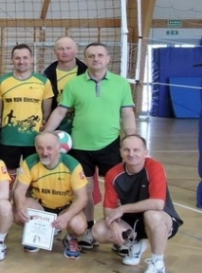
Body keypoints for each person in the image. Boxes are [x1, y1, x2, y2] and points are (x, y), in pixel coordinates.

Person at [44, 42, 136, 250]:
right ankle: (88, 229)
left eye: (100, 55)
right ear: (85, 60)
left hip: (110, 145)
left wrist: (132, 139)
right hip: (80, 146)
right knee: (84, 190)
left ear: (108, 58)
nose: (96, 59)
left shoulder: (121, 84)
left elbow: (127, 113)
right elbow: (60, 111)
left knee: (117, 190)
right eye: (91, 56)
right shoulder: (75, 84)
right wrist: (46, 134)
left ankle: (118, 233)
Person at [90, 135, 183, 273]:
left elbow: (158, 204)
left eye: (136, 150)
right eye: (126, 150)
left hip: (162, 219)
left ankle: (157, 263)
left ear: (145, 152)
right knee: (98, 231)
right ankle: (135, 243)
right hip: (132, 221)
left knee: (151, 215)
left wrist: (123, 208)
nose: (131, 154)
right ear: (121, 152)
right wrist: (114, 226)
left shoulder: (155, 167)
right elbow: (109, 209)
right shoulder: (113, 174)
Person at [13, 131, 89, 259]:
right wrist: (20, 207)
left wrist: (67, 216)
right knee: (16, 212)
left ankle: (71, 239)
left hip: (65, 208)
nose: (44, 152)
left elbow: (82, 198)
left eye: (49, 148)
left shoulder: (72, 165)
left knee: (79, 226)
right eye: (40, 148)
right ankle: (38, 233)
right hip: (41, 207)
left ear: (59, 148)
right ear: (35, 148)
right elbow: (19, 190)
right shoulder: (29, 162)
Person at [0, 43, 53, 176]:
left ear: (32, 59)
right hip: (9, 137)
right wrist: (0, 117)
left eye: (25, 57)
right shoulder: (1, 82)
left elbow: (46, 108)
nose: (21, 61)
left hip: (34, 138)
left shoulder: (44, 82)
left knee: (34, 173)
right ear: (12, 60)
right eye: (17, 58)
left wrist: (44, 121)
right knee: (8, 173)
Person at [43, 36, 86, 134]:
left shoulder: (87, 73)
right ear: (55, 51)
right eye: (60, 49)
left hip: (82, 128)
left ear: (76, 49)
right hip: (57, 129)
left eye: (68, 48)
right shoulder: (46, 76)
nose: (65, 52)